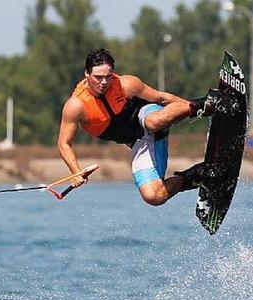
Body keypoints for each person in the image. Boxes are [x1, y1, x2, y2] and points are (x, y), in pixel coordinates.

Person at [57, 48, 222, 206]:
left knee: (152, 122)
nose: (104, 82)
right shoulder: (76, 106)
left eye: (108, 76)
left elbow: (163, 99)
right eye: (98, 77)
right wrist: (76, 171)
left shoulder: (126, 84)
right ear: (87, 73)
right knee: (153, 196)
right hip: (140, 142)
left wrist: (200, 108)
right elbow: (64, 144)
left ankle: (212, 104)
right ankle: (202, 175)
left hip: (149, 115)